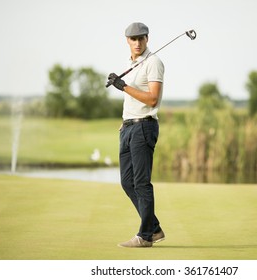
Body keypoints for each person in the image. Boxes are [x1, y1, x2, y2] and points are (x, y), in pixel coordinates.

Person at [107, 22, 165, 248]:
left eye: (141, 38)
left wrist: (122, 87)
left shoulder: (154, 63)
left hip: (144, 126)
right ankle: (155, 228)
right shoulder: (130, 64)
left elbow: (152, 99)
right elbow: (131, 99)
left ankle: (145, 236)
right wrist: (124, 122)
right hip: (128, 127)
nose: (138, 42)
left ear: (147, 39)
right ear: (127, 41)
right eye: (133, 39)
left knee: (141, 183)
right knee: (127, 182)